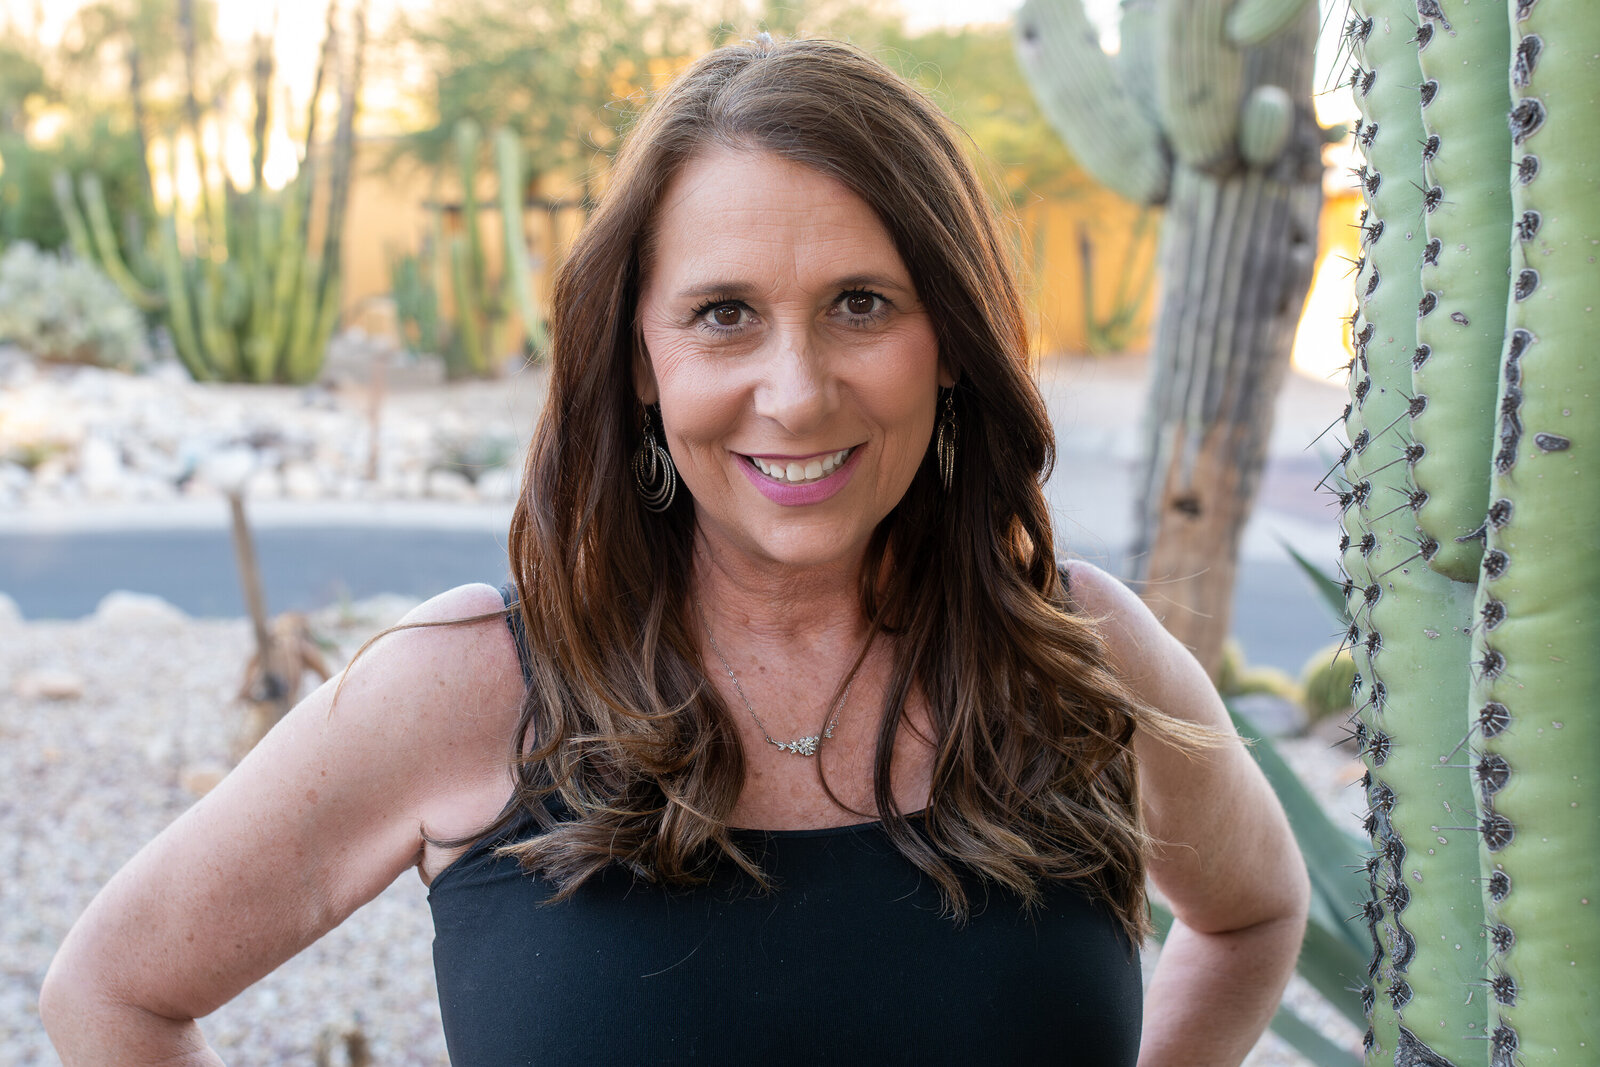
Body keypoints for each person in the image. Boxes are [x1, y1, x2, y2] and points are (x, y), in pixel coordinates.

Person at [42, 35, 1308, 1065]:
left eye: (860, 303)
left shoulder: (1079, 662)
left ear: (950, 337)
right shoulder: (472, 688)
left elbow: (1252, 916)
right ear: (640, 362)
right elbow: (112, 991)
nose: (796, 391)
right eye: (723, 315)